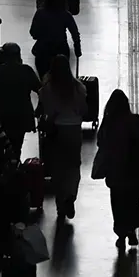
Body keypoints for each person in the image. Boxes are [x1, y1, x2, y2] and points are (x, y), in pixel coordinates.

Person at [95, 90, 139, 250]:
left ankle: (120, 234)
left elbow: (100, 141)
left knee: (118, 203)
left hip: (115, 171)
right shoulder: (134, 120)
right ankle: (132, 230)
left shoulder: (109, 122)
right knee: (132, 202)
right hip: (132, 170)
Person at [35, 54, 87, 220]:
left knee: (57, 168)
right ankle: (71, 195)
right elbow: (84, 110)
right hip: (74, 130)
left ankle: (60, 205)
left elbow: (44, 109)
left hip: (55, 131)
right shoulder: (78, 87)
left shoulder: (47, 89)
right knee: (73, 165)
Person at [0, 43, 41, 159]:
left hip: (2, 117)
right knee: (17, 147)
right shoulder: (26, 70)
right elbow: (41, 90)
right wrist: (40, 108)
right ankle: (14, 167)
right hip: (21, 117)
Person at [30, 0, 81, 78]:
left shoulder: (40, 13)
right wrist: (77, 49)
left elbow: (33, 32)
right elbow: (75, 33)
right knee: (60, 78)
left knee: (44, 78)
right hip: (61, 49)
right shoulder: (66, 14)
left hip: (43, 50)